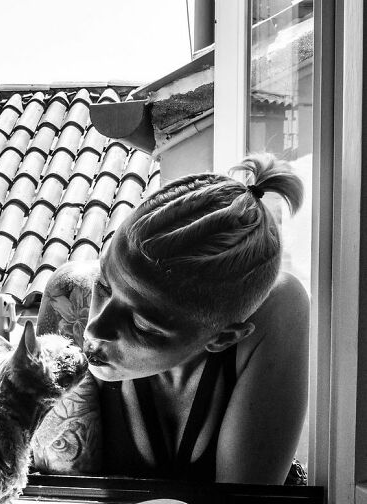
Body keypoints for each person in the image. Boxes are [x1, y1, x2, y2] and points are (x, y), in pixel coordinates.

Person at [31, 153, 309, 485]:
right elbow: (56, 493)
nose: (94, 328)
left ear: (222, 338)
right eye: (104, 286)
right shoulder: (70, 296)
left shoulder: (276, 308)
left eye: (142, 325)